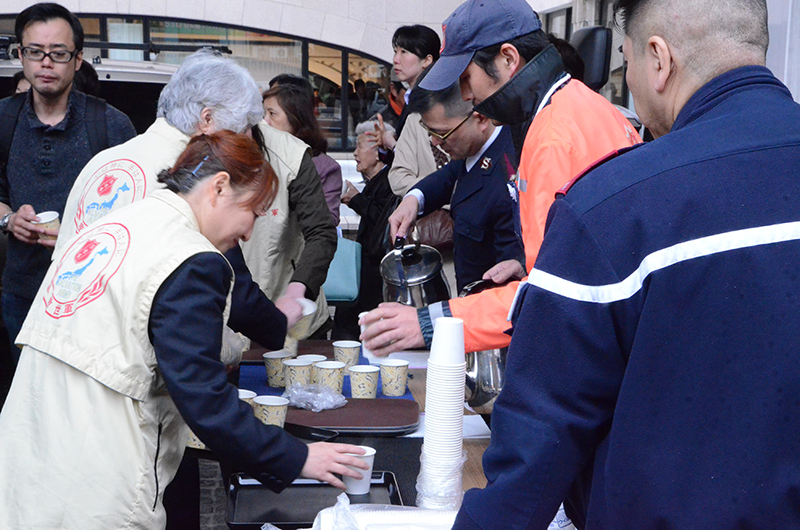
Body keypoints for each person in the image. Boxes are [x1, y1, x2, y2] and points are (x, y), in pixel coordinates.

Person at [452, 0, 800, 528]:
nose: (627, 81)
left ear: (658, 60)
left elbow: (541, 434)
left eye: (627, 60)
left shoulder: (615, 203)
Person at [0, 131, 368, 530]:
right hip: (99, 481)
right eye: (254, 212)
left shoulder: (117, 225)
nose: (247, 233)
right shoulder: (191, 259)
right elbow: (204, 397)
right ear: (220, 187)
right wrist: (299, 457)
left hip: (28, 459)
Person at [361, 0, 640, 356]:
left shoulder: (553, 138)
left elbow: (550, 294)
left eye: (466, 78)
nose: (467, 96)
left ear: (508, 60)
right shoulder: (579, 106)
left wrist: (430, 323)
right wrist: (526, 264)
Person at [57, 48, 303, 350]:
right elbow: (231, 287)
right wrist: (279, 325)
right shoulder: (192, 177)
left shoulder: (103, 161)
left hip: (63, 337)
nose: (246, 143)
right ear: (207, 119)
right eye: (241, 131)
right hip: (123, 357)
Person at [0, 3, 136, 366]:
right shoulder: (3, 118)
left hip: (92, 299)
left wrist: (79, 237)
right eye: (35, 52)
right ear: (21, 56)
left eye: (58, 53)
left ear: (77, 60)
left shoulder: (110, 125)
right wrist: (9, 219)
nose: (46, 63)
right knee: (24, 403)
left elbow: (138, 213)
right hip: (21, 292)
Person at [389, 80, 523, 292]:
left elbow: (510, 276)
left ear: (481, 118)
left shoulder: (507, 176)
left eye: (441, 133)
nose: (434, 142)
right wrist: (414, 199)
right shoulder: (477, 147)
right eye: (429, 131)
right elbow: (452, 173)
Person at [333, 124, 395, 339]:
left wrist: (356, 200)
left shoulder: (390, 181)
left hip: (374, 275)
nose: (355, 153)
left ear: (378, 153)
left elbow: (382, 220)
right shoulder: (373, 183)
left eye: (360, 147)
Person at [263, 83, 342, 226]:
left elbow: (327, 222)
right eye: (263, 114)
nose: (265, 121)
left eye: (272, 113)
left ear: (295, 119)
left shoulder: (325, 167)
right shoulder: (256, 157)